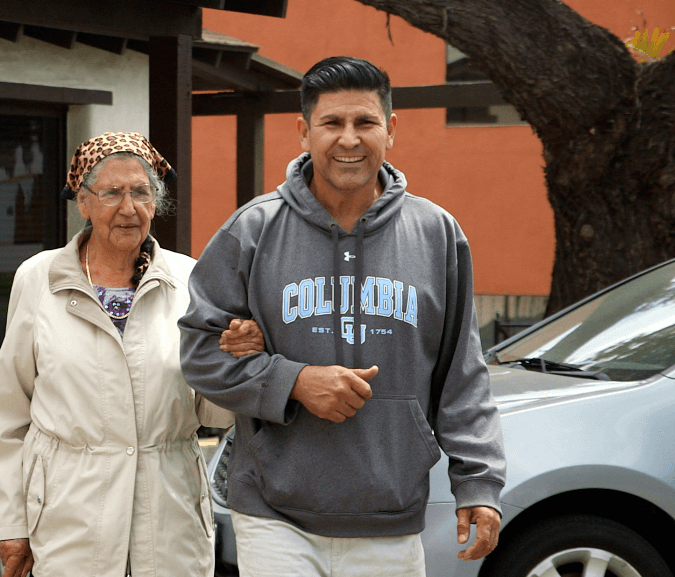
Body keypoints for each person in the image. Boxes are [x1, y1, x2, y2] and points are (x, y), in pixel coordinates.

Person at [178, 56, 507, 576]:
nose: (349, 139)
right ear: (304, 131)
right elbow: (200, 351)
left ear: (390, 129)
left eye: (365, 122)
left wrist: (479, 483)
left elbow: (462, 374)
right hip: (274, 515)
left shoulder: (436, 234)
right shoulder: (252, 230)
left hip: (390, 516)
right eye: (332, 122)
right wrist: (293, 381)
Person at [0, 132, 261, 577]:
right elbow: (8, 414)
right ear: (83, 202)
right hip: (69, 518)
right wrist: (10, 522)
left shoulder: (190, 280)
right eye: (111, 192)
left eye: (141, 192)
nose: (129, 208)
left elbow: (214, 414)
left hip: (170, 519)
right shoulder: (39, 278)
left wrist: (236, 361)